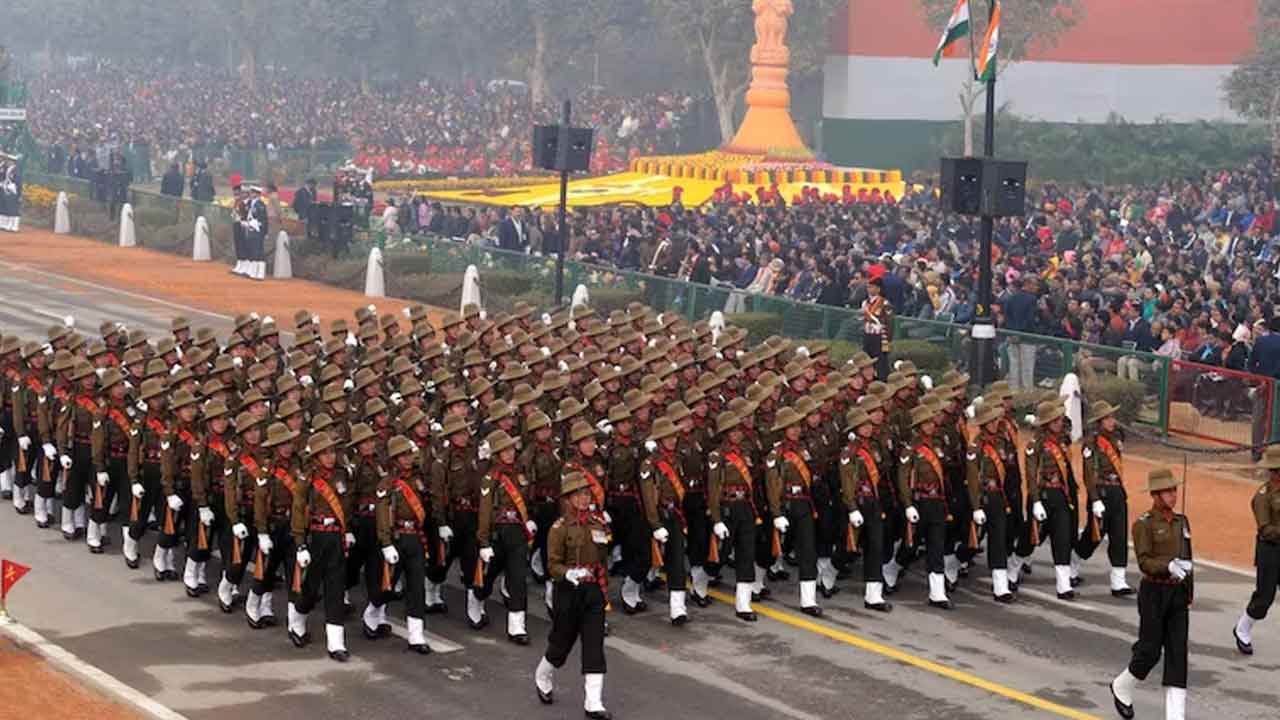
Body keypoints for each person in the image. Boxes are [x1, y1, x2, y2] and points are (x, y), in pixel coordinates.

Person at [1109, 468, 1191, 720]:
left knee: (1178, 655)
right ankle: (1122, 686)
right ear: (1155, 495)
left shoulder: (1182, 522)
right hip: (1154, 592)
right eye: (1167, 491)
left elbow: (1188, 558)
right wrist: (1167, 567)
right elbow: (1144, 562)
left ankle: (1175, 716)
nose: (1173, 495)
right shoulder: (1143, 524)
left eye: (1174, 490)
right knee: (1149, 650)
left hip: (1177, 593)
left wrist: (1188, 592)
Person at [534, 471, 613, 720]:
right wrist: (567, 573)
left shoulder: (598, 523)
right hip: (568, 591)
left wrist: (602, 590)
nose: (583, 498)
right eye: (577, 494)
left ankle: (593, 702)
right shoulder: (558, 528)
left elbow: (603, 560)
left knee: (594, 646)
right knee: (561, 643)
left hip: (592, 591)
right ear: (567, 499)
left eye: (586, 493)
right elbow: (552, 564)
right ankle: (543, 674)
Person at [289, 430, 356, 662]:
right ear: (316, 457)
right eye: (324, 453)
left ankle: (336, 643)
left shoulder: (341, 475)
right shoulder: (307, 479)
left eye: (332, 452)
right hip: (316, 537)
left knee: (336, 588)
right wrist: (300, 544)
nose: (330, 457)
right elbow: (298, 510)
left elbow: (347, 506)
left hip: (336, 536)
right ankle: (297, 619)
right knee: (310, 588)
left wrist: (348, 530)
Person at [375, 434, 433, 654]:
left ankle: (416, 635)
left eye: (409, 454)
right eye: (402, 455)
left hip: (415, 537)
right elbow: (383, 515)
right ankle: (372, 612)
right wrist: (386, 543)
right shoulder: (387, 483)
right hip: (396, 538)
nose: (407, 458)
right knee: (387, 586)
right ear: (394, 459)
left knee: (416, 586)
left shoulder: (418, 479)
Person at [476, 429, 535, 644]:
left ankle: (517, 627)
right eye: (504, 450)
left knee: (518, 579)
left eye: (511, 449)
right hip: (497, 533)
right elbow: (484, 511)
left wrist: (528, 519)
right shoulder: (490, 478)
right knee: (487, 577)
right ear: (496, 454)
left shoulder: (520, 473)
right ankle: (477, 598)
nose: (510, 453)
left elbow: (527, 500)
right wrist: (484, 542)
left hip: (517, 531)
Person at [1072, 401, 1135, 597]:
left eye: (1112, 417)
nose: (1111, 421)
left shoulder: (1116, 437)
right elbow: (1088, 473)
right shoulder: (1091, 442)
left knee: (1120, 535)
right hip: (1101, 493)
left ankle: (1118, 581)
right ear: (1099, 421)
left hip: (1117, 491)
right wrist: (1094, 499)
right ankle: (1074, 562)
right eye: (1107, 418)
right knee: (1094, 535)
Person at [766, 406, 823, 616]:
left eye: (798, 426)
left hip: (803, 504)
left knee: (808, 551)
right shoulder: (776, 454)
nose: (796, 430)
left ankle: (808, 600)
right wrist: (776, 513)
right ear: (783, 429)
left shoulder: (803, 449)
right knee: (770, 549)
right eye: (791, 427)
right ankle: (755, 582)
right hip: (784, 504)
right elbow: (772, 485)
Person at [966, 402, 1016, 603]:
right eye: (991, 421)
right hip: (982, 497)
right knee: (972, 542)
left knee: (998, 541)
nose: (995, 423)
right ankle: (953, 563)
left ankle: (1000, 587)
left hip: (998, 498)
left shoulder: (1001, 442)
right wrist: (976, 507)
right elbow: (972, 479)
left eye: (996, 420)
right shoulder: (975, 446)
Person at [1234, 445, 1280, 656]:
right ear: (1274, 471)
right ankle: (1242, 628)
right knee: (1265, 596)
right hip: (1270, 550)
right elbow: (1265, 530)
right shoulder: (1263, 496)